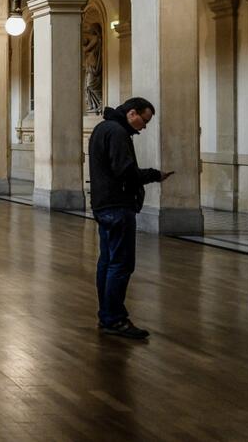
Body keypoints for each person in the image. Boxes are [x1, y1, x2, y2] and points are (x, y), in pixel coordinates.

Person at [87, 97, 173, 340]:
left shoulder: (103, 128)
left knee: (107, 261)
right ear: (132, 113)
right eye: (143, 121)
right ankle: (114, 318)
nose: (143, 127)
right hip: (117, 206)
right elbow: (124, 171)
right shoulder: (116, 132)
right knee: (121, 264)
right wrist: (154, 175)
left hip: (104, 205)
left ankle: (107, 315)